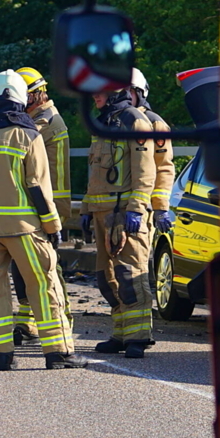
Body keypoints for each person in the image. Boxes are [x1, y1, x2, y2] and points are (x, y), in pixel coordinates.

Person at [0, 70, 88, 371]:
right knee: (44, 285)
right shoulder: (29, 135)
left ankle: (2, 355)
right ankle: (58, 353)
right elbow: (38, 186)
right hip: (25, 229)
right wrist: (52, 227)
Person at [79, 86, 157, 358]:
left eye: (99, 92)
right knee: (106, 279)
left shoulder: (134, 120)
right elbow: (94, 171)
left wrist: (136, 209)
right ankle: (121, 333)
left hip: (124, 214)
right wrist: (87, 208)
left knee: (130, 275)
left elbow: (145, 170)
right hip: (102, 214)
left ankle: (138, 337)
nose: (94, 96)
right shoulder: (102, 122)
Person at [10, 66, 74, 346]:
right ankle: (28, 321)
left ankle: (63, 321)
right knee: (26, 267)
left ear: (34, 95)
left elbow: (17, 145)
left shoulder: (44, 122)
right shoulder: (37, 117)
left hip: (47, 205)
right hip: (37, 203)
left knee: (48, 269)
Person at [129, 68, 175, 236]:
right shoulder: (116, 123)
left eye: (129, 91)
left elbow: (163, 167)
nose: (124, 96)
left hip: (142, 209)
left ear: (140, 93)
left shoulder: (155, 123)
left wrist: (160, 207)